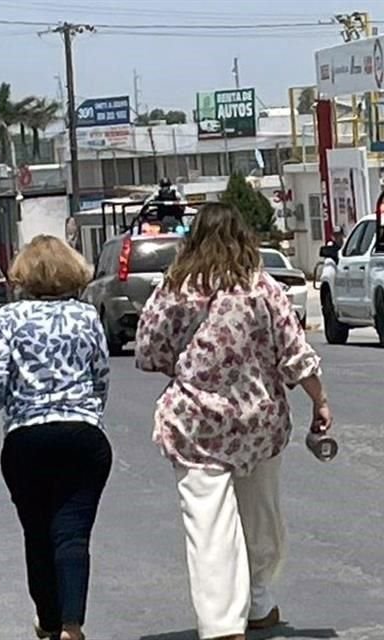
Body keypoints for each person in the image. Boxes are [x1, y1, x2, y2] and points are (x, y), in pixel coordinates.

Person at [135, 203, 333, 640]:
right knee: (261, 515)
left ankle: (223, 624)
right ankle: (260, 601)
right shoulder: (263, 287)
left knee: (208, 523)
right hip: (257, 422)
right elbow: (295, 353)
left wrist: (186, 365)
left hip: (196, 424)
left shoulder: (175, 288)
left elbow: (149, 349)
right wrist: (319, 400)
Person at [0, 235, 112, 640]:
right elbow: (101, 376)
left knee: (37, 533)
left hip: (27, 438)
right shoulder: (87, 316)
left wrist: (7, 402)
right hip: (82, 435)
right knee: (73, 533)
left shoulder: (9, 318)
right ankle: (73, 624)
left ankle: (49, 622)